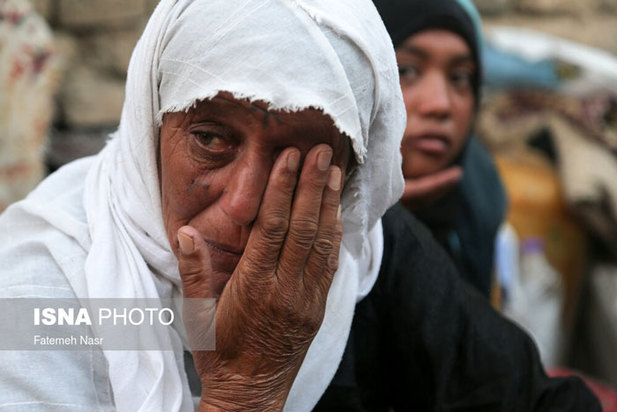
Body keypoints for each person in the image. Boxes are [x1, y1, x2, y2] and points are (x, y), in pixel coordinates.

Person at [0, 0, 599, 411]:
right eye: (211, 138)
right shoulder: (42, 300)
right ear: (148, 128)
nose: (242, 205)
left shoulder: (359, 256)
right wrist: (245, 388)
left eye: (304, 159)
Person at [374, 0, 507, 297]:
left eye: (460, 77)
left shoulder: (482, 192)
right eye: (406, 70)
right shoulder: (305, 214)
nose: (441, 104)